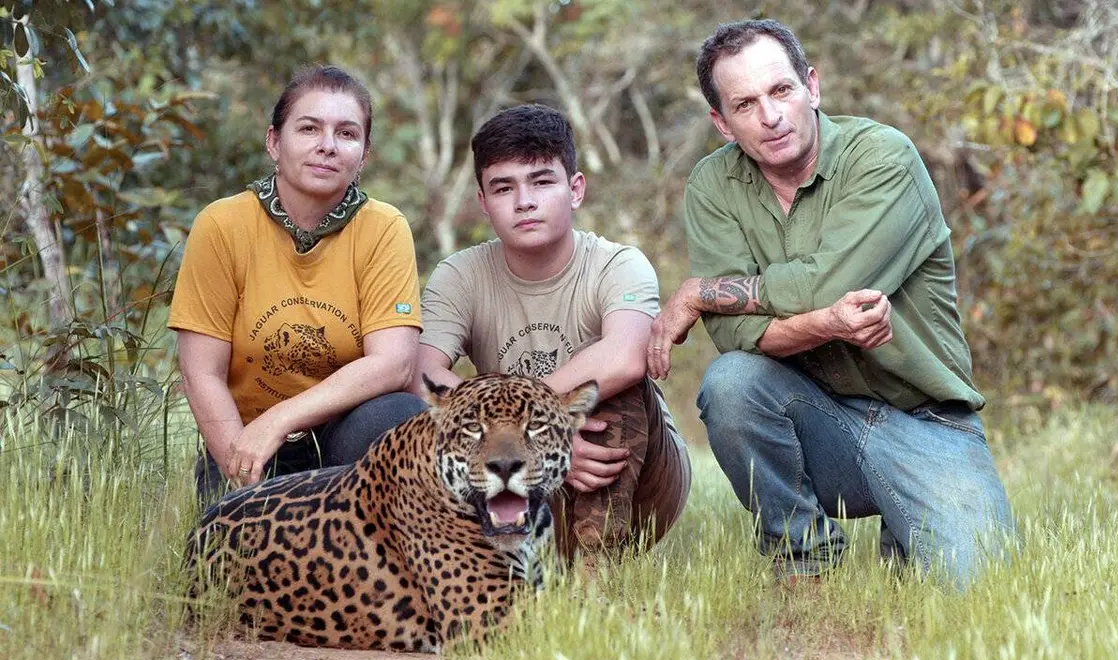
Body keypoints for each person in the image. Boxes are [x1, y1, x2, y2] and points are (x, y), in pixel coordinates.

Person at [648, 19, 1014, 586]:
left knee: (984, 587)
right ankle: (803, 559)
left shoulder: (883, 157)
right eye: (745, 104)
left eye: (781, 90)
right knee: (733, 382)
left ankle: (905, 526)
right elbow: (735, 335)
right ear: (721, 123)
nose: (771, 116)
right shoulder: (713, 186)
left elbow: (828, 285)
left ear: (812, 87)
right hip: (814, 419)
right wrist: (827, 323)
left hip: (926, 421)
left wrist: (702, 291)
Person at [413, 104, 691, 561]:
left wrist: (536, 431)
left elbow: (625, 357)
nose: (524, 201)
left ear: (575, 189)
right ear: (483, 202)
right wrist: (526, 441)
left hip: (640, 485)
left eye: (541, 182)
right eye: (504, 188)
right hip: (514, 476)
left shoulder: (618, 264)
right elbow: (422, 375)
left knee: (610, 388)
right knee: (423, 416)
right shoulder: (460, 275)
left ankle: (598, 569)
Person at [170, 65, 425, 506]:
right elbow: (201, 373)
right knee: (233, 542)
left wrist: (281, 419)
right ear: (274, 141)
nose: (327, 145)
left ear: (364, 155)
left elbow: (394, 364)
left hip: (343, 445)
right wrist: (241, 465)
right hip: (246, 439)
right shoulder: (222, 225)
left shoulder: (384, 228)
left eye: (347, 134)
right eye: (309, 128)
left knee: (403, 415)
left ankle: (368, 526)